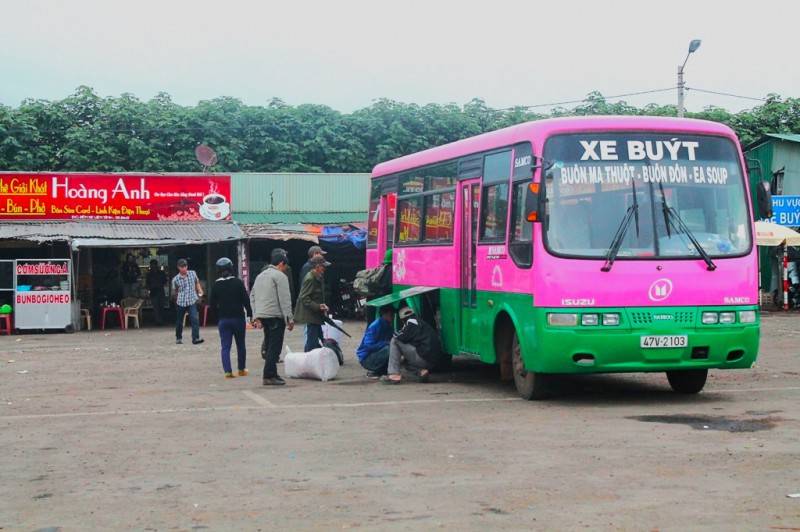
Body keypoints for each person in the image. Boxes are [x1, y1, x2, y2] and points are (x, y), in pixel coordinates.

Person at [250, 249, 295, 386]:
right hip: (275, 315)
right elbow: (285, 298)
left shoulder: (260, 276)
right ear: (281, 263)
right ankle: (269, 375)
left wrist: (256, 315)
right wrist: (289, 318)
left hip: (263, 315)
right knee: (274, 347)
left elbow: (252, 296)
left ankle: (272, 373)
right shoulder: (280, 276)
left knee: (269, 344)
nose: (285, 269)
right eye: (285, 266)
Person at [210, 257, 252, 379]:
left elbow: (212, 305)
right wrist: (250, 313)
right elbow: (246, 300)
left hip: (223, 320)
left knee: (225, 346)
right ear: (231, 268)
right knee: (241, 345)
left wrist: (217, 318)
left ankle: (228, 372)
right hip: (238, 319)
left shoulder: (216, 285)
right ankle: (241, 369)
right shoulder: (238, 282)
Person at [381, 307, 442, 384]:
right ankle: (422, 372)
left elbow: (400, 337)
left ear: (403, 319)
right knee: (406, 363)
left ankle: (394, 375)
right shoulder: (421, 323)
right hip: (432, 361)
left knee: (394, 340)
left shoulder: (411, 322)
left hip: (424, 358)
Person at [294, 255, 330, 352]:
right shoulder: (310, 278)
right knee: (312, 342)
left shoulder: (318, 277)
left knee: (317, 339)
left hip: (315, 314)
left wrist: (321, 306)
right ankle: (308, 360)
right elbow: (304, 297)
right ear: (317, 267)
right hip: (310, 315)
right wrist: (318, 306)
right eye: (323, 266)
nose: (324, 269)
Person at [172, 258, 204, 345]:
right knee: (179, 321)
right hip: (181, 301)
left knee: (194, 318)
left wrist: (200, 291)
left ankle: (195, 338)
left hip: (192, 300)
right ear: (178, 267)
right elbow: (175, 291)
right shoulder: (175, 279)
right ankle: (178, 338)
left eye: (185, 266)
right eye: (182, 267)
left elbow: (197, 283)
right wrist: (176, 301)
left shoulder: (192, 273)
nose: (184, 268)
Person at [356, 305, 394, 377]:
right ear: (384, 315)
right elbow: (368, 346)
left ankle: (383, 370)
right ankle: (375, 371)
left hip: (375, 354)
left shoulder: (388, 325)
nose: (393, 317)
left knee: (393, 347)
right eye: (391, 315)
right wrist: (386, 343)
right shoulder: (375, 326)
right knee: (388, 348)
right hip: (366, 358)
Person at [366, 249, 394, 323]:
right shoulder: (391, 270)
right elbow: (389, 287)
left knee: (372, 323)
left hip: (372, 298)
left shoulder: (381, 269)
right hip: (381, 299)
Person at [145, 259, 167, 325]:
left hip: (159, 291)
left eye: (154, 265)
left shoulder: (160, 273)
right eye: (152, 265)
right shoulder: (149, 274)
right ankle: (158, 321)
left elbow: (165, 281)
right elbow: (147, 283)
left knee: (160, 307)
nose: (153, 266)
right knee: (156, 307)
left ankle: (160, 320)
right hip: (154, 292)